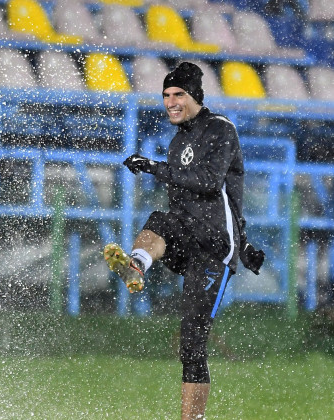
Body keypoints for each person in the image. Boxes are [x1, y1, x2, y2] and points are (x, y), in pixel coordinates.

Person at [103, 62, 265, 420]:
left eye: (178, 94)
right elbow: (182, 201)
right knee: (162, 219)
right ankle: (136, 265)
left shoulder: (221, 129)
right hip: (188, 237)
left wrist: (243, 244)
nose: (170, 102)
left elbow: (211, 183)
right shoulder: (178, 143)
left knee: (191, 346)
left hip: (215, 250)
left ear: (195, 96)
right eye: (166, 96)